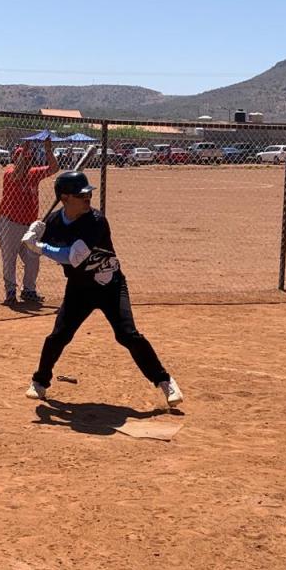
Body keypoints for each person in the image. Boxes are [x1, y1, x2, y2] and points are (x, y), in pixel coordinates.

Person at [21, 170, 183, 409]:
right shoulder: (54, 222)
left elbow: (73, 256)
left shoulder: (95, 220)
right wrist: (35, 232)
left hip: (110, 285)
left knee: (127, 335)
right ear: (64, 198)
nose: (87, 198)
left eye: (88, 194)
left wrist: (40, 246)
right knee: (59, 336)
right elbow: (44, 242)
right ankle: (40, 381)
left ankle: (164, 381)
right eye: (81, 195)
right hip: (79, 288)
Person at [0, 133, 59, 305]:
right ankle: (10, 292)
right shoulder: (9, 173)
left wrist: (48, 150)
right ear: (16, 160)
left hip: (29, 225)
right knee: (10, 259)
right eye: (24, 159)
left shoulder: (33, 174)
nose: (28, 163)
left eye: (29, 160)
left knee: (33, 257)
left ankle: (29, 290)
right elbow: (17, 173)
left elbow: (54, 169)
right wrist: (26, 149)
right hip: (10, 223)